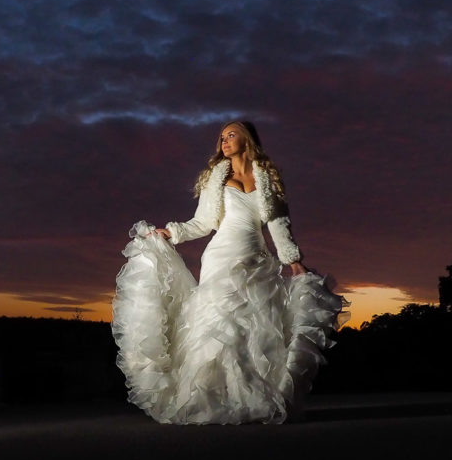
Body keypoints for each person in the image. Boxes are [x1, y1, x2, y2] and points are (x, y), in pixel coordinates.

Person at [112, 121, 346, 424]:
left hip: (257, 260)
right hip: (222, 256)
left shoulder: (267, 178)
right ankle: (208, 399)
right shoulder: (217, 177)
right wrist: (171, 233)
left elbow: (278, 224)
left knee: (255, 328)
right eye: (221, 137)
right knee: (220, 325)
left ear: (247, 139)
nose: (224, 141)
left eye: (231, 135)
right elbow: (203, 222)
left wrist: (293, 260)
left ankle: (249, 398)